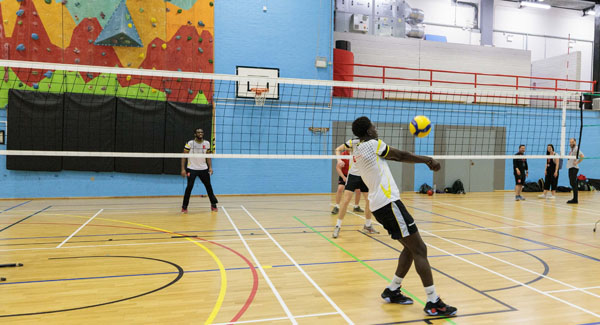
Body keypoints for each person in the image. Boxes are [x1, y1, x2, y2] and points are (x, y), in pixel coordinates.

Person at [350, 116, 457, 317]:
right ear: (369, 131)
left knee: (410, 248)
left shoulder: (358, 148)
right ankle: (433, 302)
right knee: (420, 249)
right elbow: (400, 155)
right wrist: (427, 159)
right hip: (388, 203)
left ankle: (392, 290)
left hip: (379, 205)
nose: (376, 128)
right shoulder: (372, 144)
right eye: (373, 125)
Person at [331, 140, 379, 238]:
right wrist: (339, 160)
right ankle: (337, 226)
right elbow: (337, 149)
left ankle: (368, 225)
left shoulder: (372, 143)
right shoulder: (353, 142)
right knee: (346, 201)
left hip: (365, 176)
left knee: (369, 200)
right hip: (353, 176)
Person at [181, 128, 218, 213]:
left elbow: (208, 157)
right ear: (195, 134)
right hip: (192, 168)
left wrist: (210, 167)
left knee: (209, 187)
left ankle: (213, 205)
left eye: (202, 132)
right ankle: (184, 207)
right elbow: (183, 156)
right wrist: (183, 169)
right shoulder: (190, 143)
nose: (200, 133)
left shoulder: (207, 143)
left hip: (203, 169)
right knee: (189, 187)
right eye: (198, 132)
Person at [332, 150, 363, 215]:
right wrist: (343, 177)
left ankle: (356, 207)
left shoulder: (357, 154)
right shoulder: (343, 155)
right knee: (340, 189)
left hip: (354, 174)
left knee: (358, 191)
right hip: (344, 174)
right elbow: (338, 168)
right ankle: (337, 206)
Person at [567, 138, 584, 204]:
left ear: (575, 142)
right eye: (570, 142)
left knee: (573, 184)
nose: (571, 143)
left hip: (574, 168)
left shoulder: (576, 148)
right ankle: (574, 198)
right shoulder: (572, 149)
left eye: (572, 142)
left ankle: (575, 199)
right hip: (571, 167)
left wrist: (577, 162)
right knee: (572, 183)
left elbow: (582, 156)